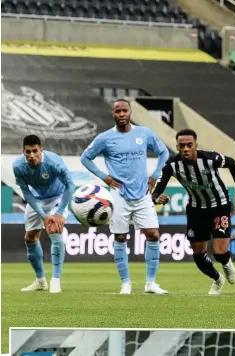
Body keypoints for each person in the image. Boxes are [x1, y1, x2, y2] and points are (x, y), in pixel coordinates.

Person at [81, 98, 169, 295]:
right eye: (118, 111)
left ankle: (150, 283)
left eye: (125, 111)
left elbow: (163, 153)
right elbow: (85, 158)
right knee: (120, 237)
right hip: (118, 195)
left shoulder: (144, 133)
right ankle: (126, 283)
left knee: (153, 235)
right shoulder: (105, 138)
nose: (121, 114)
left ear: (130, 112)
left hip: (143, 194)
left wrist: (155, 176)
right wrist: (105, 177)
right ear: (113, 114)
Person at [151, 129, 235, 296]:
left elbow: (231, 163)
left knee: (219, 252)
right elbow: (157, 189)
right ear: (177, 147)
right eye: (182, 146)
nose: (186, 149)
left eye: (189, 145)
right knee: (198, 254)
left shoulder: (210, 159)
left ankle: (227, 264)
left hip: (220, 205)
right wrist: (156, 198)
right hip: (196, 209)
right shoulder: (172, 165)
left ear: (196, 145)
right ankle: (217, 279)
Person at [13, 135, 75, 293]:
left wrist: (59, 213)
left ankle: (56, 280)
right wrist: (43, 215)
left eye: (35, 151)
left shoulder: (53, 162)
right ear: (23, 152)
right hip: (37, 199)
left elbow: (70, 185)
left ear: (41, 150)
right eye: (28, 152)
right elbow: (26, 193)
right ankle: (40, 281)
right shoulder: (18, 166)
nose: (32, 155)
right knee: (30, 238)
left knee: (54, 231)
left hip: (57, 197)